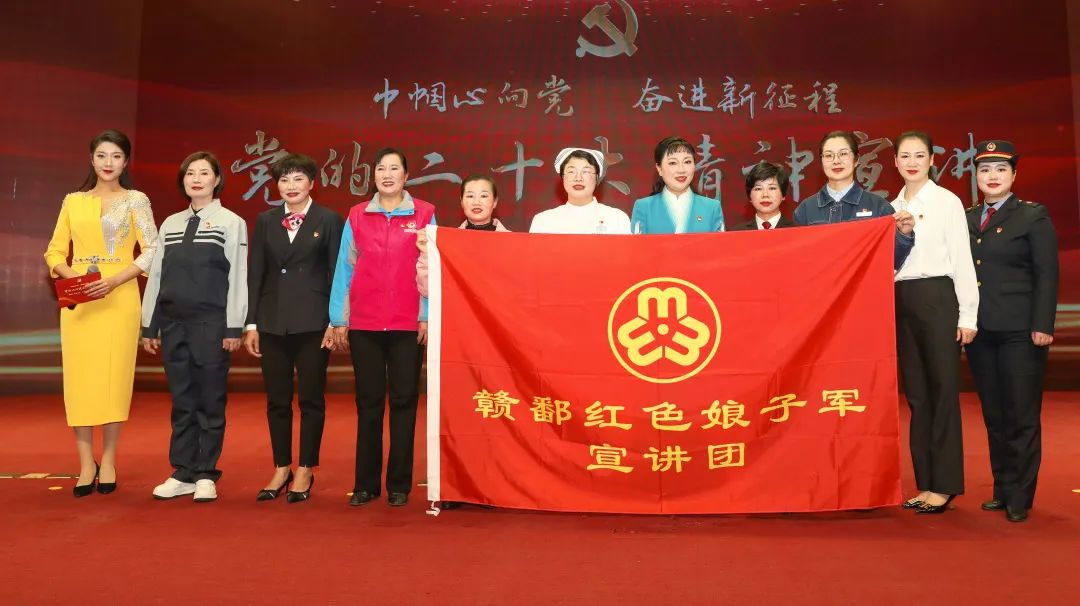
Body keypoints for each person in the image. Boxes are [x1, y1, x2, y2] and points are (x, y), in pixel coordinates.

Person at [43, 129, 159, 497]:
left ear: (126, 162)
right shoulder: (73, 201)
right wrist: (75, 279)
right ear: (92, 159)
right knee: (80, 381)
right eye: (102, 156)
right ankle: (85, 462)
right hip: (79, 301)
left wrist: (114, 281)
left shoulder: (137, 200)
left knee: (113, 379)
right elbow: (53, 252)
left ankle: (108, 459)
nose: (108, 163)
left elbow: (152, 249)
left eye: (116, 156)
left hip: (119, 297)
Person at [329, 148, 436, 508]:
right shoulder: (357, 215)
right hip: (366, 322)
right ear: (373, 175)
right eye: (381, 169)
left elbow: (431, 267)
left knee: (404, 401)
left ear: (406, 176)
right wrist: (339, 318)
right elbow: (345, 268)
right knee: (369, 402)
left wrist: (426, 314)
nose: (387, 175)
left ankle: (399, 484)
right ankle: (365, 484)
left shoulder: (425, 214)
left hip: (408, 323)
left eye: (394, 169)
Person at [141, 152, 248, 503]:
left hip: (211, 325)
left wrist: (233, 327)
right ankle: (183, 472)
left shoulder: (231, 222)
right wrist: (149, 325)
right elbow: (157, 276)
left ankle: (205, 473)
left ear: (217, 180)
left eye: (204, 173)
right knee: (183, 401)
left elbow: (238, 276)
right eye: (190, 173)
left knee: (210, 400)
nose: (196, 179)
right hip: (173, 325)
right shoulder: (170, 223)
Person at [965, 140, 1059, 523]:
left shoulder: (1032, 216)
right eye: (985, 170)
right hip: (980, 330)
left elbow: (1047, 273)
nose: (992, 176)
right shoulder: (969, 217)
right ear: (976, 176)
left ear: (1014, 175)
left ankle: (1020, 495)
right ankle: (1002, 488)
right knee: (995, 414)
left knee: (1021, 413)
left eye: (1001, 170)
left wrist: (1042, 325)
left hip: (1021, 330)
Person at [243, 153, 343, 503]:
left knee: (311, 399)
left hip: (313, 322)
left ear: (311, 183)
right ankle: (281, 466)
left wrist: (335, 321)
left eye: (298, 178)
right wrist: (252, 322)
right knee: (277, 400)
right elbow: (256, 273)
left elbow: (337, 274)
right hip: (272, 321)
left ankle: (306, 468)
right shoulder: (266, 220)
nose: (291, 186)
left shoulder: (329, 219)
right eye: (284, 180)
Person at [889, 131, 978, 514]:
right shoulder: (891, 206)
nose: (912, 162)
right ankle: (925, 483)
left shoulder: (947, 201)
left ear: (931, 160)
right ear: (895, 161)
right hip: (901, 300)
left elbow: (962, 259)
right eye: (905, 156)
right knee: (917, 396)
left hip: (939, 297)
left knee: (942, 392)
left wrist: (968, 314)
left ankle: (945, 485)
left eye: (919, 155)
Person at [793, 130, 916, 268]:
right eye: (828, 155)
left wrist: (904, 234)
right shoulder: (806, 209)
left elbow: (892, 261)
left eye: (843, 154)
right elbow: (797, 260)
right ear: (821, 161)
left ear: (856, 160)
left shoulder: (879, 207)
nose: (836, 161)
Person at [416, 174, 508, 298]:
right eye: (470, 196)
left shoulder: (512, 243)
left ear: (495, 202)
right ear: (461, 201)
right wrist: (427, 254)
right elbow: (428, 291)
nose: (476, 202)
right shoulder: (447, 244)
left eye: (484, 196)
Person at [629, 136, 724, 234]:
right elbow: (638, 244)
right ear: (659, 168)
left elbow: (720, 243)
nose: (681, 170)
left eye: (687, 162)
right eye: (673, 163)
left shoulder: (712, 207)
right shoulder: (644, 207)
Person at [529, 148, 631, 234]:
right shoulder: (543, 221)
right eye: (571, 171)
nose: (578, 178)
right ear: (563, 177)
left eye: (586, 171)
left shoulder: (617, 218)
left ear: (597, 178)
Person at [729, 161, 797, 230]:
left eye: (772, 188)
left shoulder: (797, 231)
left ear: (783, 194)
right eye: (758, 189)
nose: (765, 195)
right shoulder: (736, 233)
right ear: (750, 196)